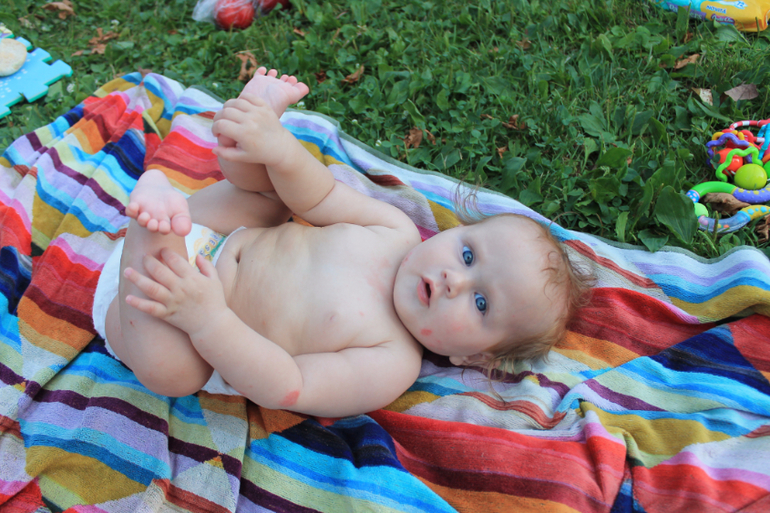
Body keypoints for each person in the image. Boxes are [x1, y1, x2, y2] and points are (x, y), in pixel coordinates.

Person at [92, 67, 591, 418]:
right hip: (210, 231)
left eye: (481, 303)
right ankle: (252, 128)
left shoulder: (391, 362)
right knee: (274, 198)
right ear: (453, 231)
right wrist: (281, 152)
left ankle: (149, 223)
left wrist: (208, 320)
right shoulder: (395, 231)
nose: (453, 280)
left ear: (475, 358)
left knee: (174, 373)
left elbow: (289, 384)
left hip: (165, 316)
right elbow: (321, 196)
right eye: (466, 254)